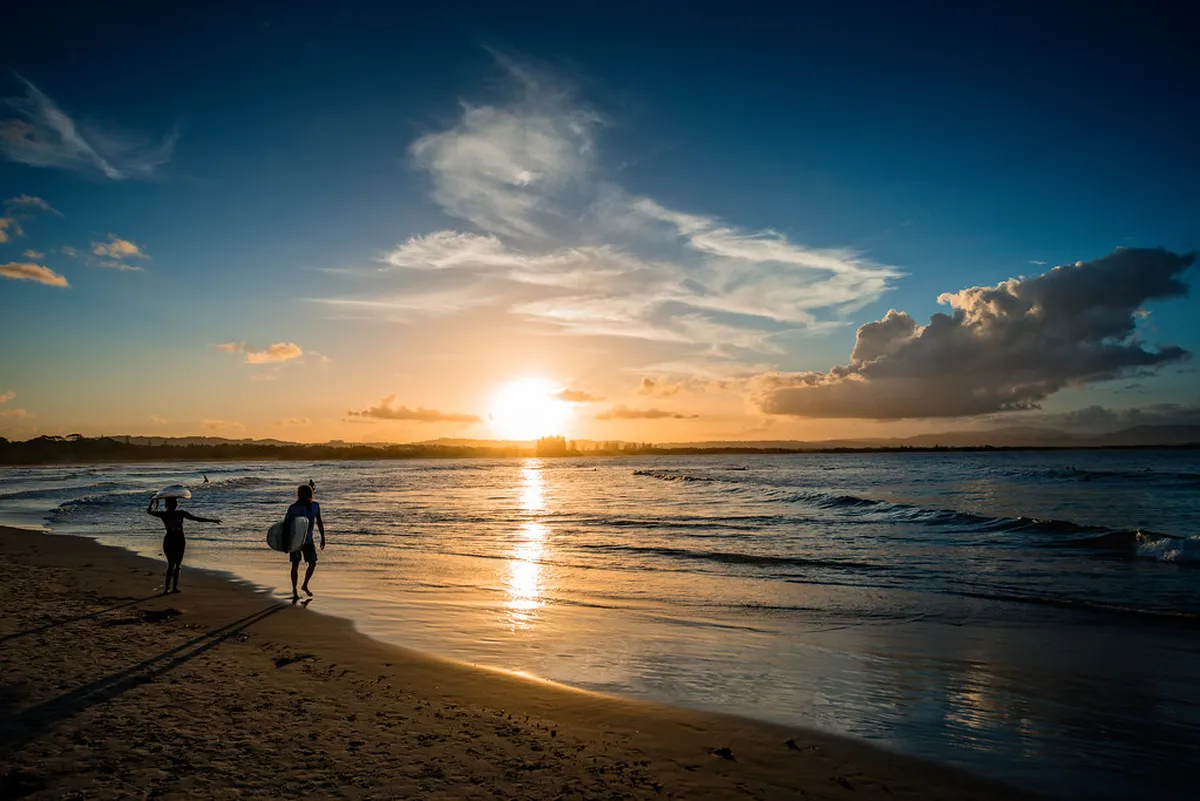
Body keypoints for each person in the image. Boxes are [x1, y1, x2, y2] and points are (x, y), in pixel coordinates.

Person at [146, 495, 221, 595]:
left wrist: (212, 520)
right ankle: (167, 588)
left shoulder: (178, 513)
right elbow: (149, 512)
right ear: (168, 504)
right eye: (173, 503)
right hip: (171, 540)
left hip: (179, 540)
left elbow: (196, 519)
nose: (175, 504)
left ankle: (173, 588)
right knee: (171, 564)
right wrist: (152, 501)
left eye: (175, 503)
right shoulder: (166, 514)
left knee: (177, 565)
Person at [283, 483, 325, 601]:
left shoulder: (315, 506)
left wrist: (323, 537)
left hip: (308, 540)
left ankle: (304, 584)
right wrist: (285, 543)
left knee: (312, 563)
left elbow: (319, 522)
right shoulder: (293, 508)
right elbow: (286, 525)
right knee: (295, 564)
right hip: (295, 540)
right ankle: (294, 590)